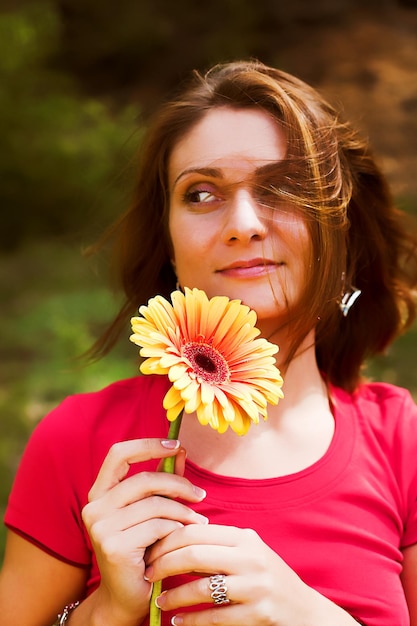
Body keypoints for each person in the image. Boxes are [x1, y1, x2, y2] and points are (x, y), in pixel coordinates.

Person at [1, 59, 417, 626]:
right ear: (169, 242)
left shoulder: (404, 445)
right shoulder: (78, 442)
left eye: (282, 187)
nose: (243, 222)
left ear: (338, 227)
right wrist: (107, 612)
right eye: (200, 193)